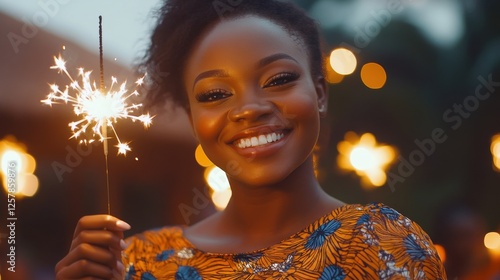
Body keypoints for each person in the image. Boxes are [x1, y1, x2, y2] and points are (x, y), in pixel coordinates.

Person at [55, 0, 447, 279]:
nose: (249, 109)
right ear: (194, 120)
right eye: (214, 95)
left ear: (321, 93)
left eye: (278, 80)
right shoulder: (137, 262)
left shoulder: (382, 243)